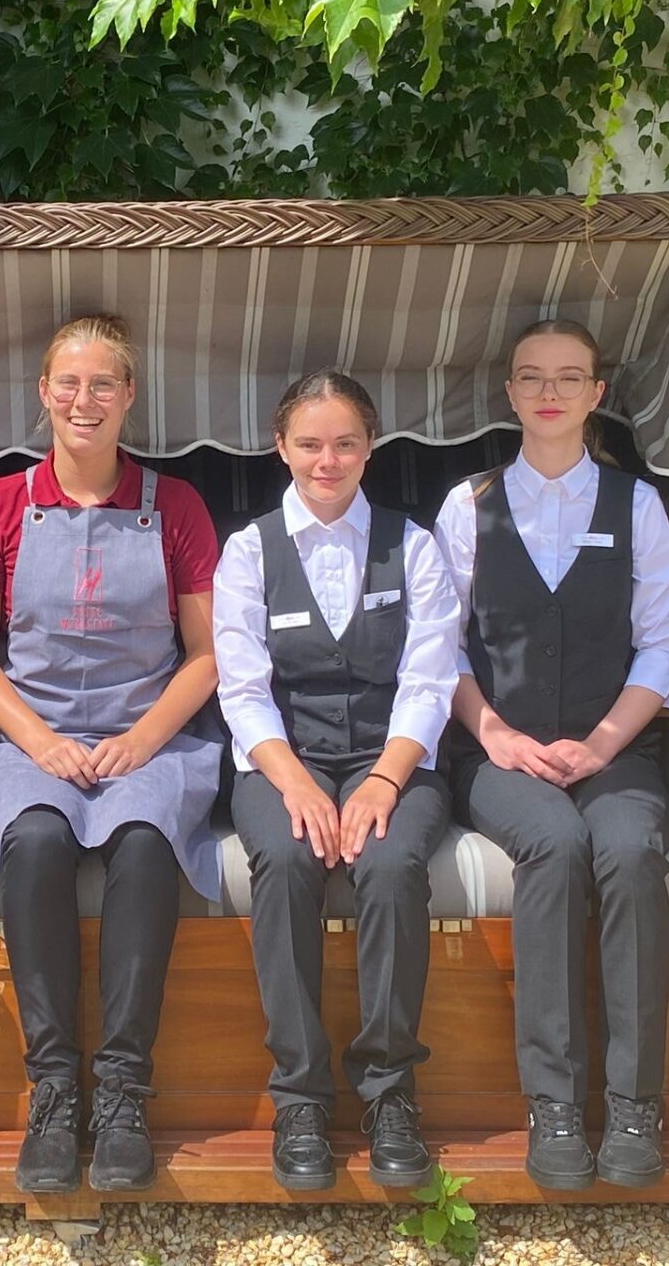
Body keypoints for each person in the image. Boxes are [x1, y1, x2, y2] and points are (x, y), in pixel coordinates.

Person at [0, 314, 224, 1195]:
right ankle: (54, 1086)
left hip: (149, 734)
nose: (85, 399)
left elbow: (207, 654)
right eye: (68, 383)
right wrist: (39, 741)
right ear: (43, 393)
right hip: (27, 735)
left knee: (145, 846)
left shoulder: (177, 506)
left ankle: (122, 1092)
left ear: (129, 395)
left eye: (103, 382)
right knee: (34, 842)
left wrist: (143, 739)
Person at [432, 318, 669, 1192]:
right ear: (509, 394)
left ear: (596, 394)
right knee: (554, 842)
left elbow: (662, 646)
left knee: (630, 851)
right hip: (496, 756)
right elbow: (442, 650)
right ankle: (554, 1104)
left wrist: (606, 741)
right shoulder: (467, 506)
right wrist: (496, 735)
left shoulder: (637, 507)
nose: (550, 392)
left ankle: (636, 1105)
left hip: (615, 752)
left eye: (569, 377)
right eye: (532, 377)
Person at [212, 370, 461, 1192]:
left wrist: (385, 781)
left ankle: (390, 1093)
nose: (329, 460)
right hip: (283, 759)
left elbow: (430, 678)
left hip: (392, 757)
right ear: (281, 447)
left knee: (390, 864)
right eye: (311, 443)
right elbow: (242, 688)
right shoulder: (248, 551)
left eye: (346, 443)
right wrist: (295, 784)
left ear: (371, 447)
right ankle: (300, 1098)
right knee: (286, 860)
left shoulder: (411, 545)